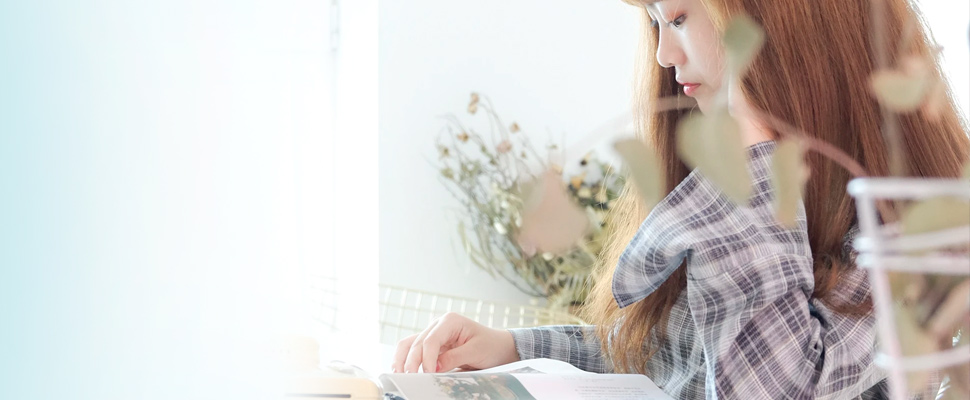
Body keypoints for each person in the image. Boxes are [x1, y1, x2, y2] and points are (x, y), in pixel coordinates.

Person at [392, 0, 970, 398]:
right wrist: (509, 347)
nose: (665, 54)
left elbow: (770, 385)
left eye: (681, 16)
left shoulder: (915, 236)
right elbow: (682, 351)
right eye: (655, 21)